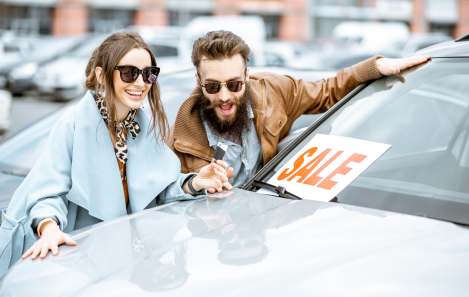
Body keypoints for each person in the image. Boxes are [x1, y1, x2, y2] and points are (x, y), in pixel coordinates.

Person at [0, 32, 232, 277]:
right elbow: (47, 192)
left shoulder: (142, 127)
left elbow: (156, 189)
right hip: (60, 256)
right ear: (102, 75)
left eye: (149, 73)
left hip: (109, 260)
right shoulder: (74, 123)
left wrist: (195, 182)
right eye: (129, 73)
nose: (141, 83)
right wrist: (49, 228)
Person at [170, 30, 430, 186]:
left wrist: (375, 68)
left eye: (235, 84)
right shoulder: (181, 134)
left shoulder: (275, 91)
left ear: (247, 75)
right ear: (199, 82)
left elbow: (327, 91)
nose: (225, 96)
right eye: (213, 87)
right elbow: (169, 197)